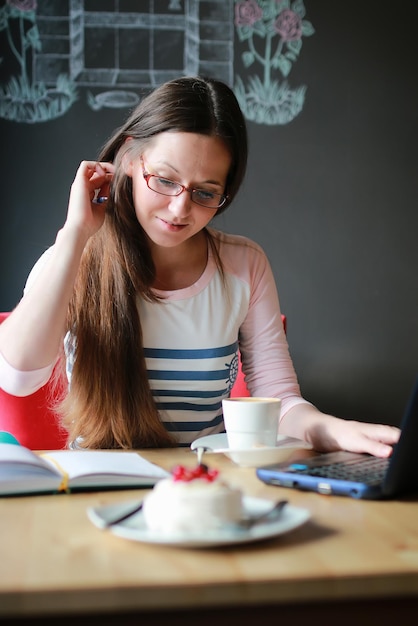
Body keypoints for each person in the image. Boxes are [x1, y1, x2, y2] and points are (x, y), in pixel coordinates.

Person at [0, 76, 400, 454]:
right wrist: (75, 234)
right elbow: (18, 377)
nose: (180, 208)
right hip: (96, 489)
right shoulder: (74, 256)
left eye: (206, 192)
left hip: (202, 488)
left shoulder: (244, 264)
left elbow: (280, 401)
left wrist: (335, 430)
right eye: (165, 180)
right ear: (129, 158)